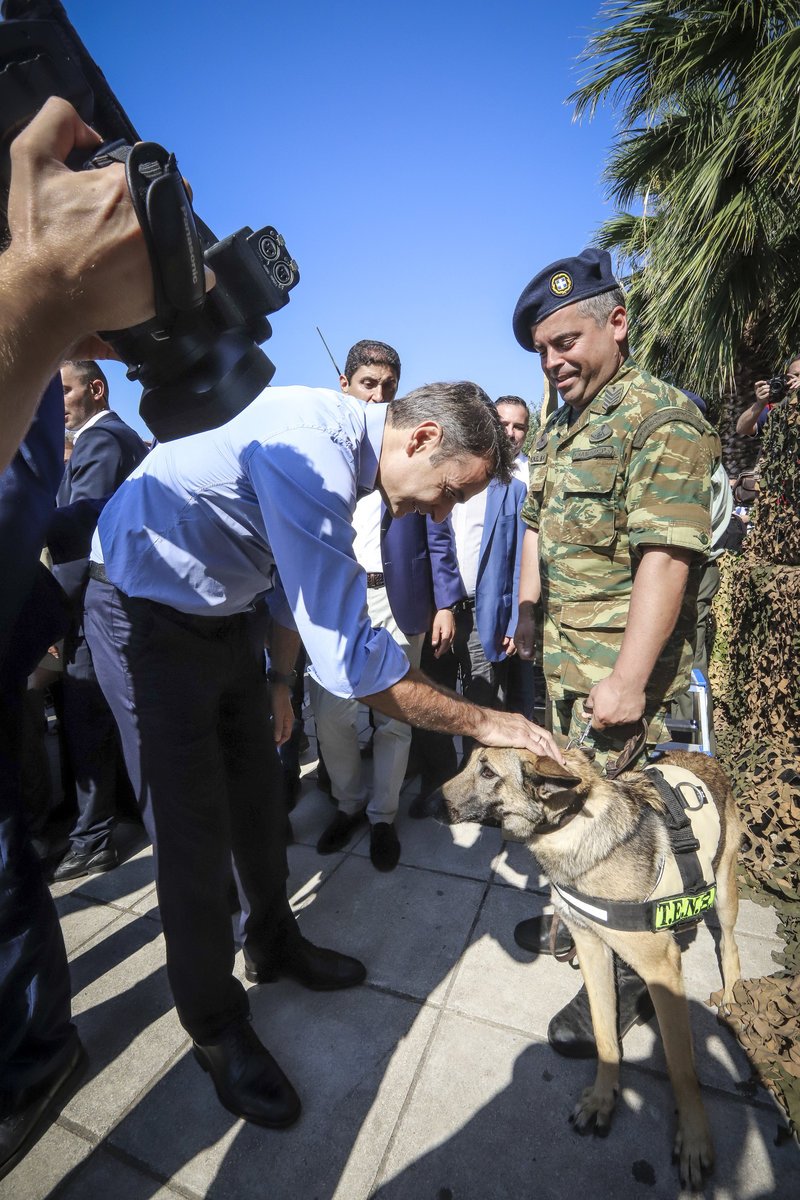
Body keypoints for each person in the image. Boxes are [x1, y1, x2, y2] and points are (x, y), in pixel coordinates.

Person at [83, 380, 563, 1130]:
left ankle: (272, 944)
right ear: (424, 438)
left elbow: (281, 579)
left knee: (257, 801)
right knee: (193, 834)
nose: (439, 513)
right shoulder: (314, 443)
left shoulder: (351, 462)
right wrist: (486, 723)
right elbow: (353, 668)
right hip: (143, 609)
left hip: (225, 614)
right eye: (446, 494)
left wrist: (277, 680)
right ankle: (213, 1025)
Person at [510, 247, 719, 1059]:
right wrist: (527, 609)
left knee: (630, 834)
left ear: (617, 324)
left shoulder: (661, 419)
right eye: (542, 351)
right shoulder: (563, 424)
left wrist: (630, 681)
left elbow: (666, 557)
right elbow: (535, 525)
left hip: (619, 681)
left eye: (565, 341)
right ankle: (578, 914)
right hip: (566, 672)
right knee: (575, 804)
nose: (553, 361)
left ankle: (631, 976)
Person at [0, 98, 155, 1180]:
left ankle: (35, 1050)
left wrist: (37, 299)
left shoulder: (77, 434)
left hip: (60, 618)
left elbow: (49, 515)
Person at [310, 341, 463, 871]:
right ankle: (348, 803)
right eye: (368, 384)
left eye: (388, 388)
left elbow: (438, 534)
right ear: (345, 384)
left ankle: (381, 817)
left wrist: (446, 602)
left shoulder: (411, 451)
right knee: (332, 715)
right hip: (338, 603)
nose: (378, 396)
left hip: (400, 602)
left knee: (396, 719)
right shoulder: (325, 450)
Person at [46, 361, 147, 880]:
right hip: (104, 603)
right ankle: (105, 825)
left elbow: (80, 523)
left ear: (96, 388)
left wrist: (24, 520)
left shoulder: (103, 438)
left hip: (99, 604)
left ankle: (95, 836)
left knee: (94, 719)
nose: (55, 400)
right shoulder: (105, 438)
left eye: (63, 389)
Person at [410, 453, 527, 801]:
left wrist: (517, 618)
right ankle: (438, 783)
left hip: (484, 615)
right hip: (436, 612)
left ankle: (475, 789)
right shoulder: (432, 482)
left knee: (481, 704)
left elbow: (521, 557)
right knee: (433, 698)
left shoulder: (513, 491)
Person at [735, 356, 800, 438]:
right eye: (795, 375)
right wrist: (759, 405)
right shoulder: (780, 409)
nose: (798, 379)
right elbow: (742, 429)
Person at [495, 395, 530, 484]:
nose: (510, 433)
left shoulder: (535, 473)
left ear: (526, 431)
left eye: (518, 427)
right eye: (503, 425)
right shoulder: (470, 468)